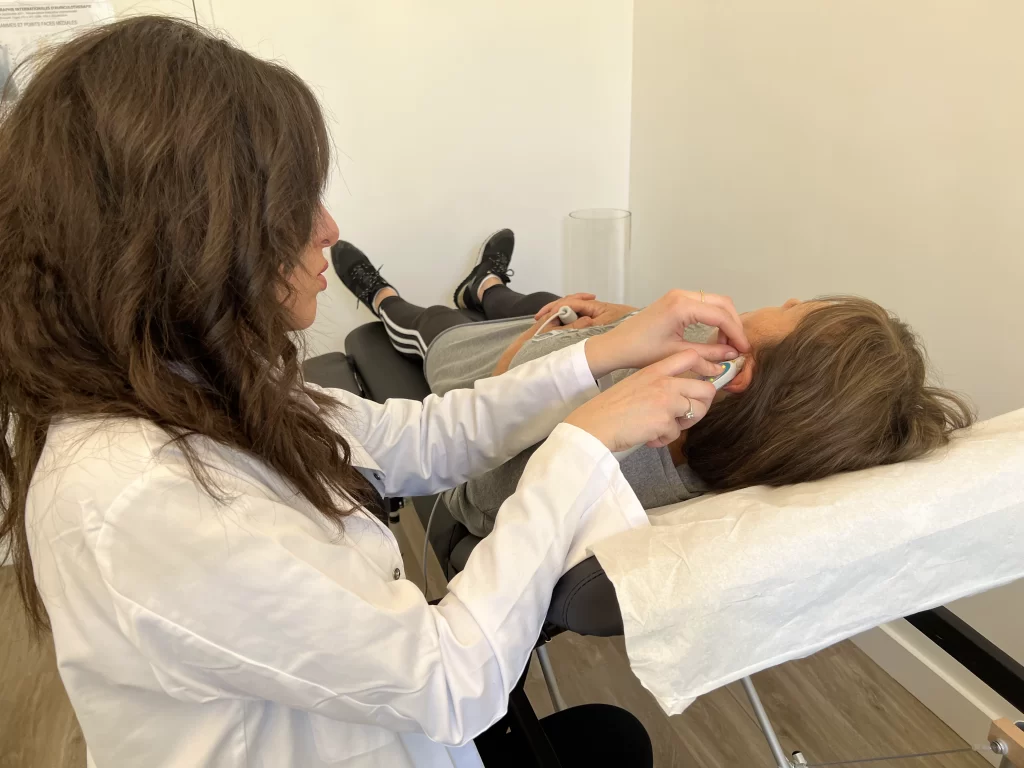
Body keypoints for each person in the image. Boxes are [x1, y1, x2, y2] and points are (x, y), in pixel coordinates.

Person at [0, 17, 753, 768]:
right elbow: (452, 681)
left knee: (609, 739)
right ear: (188, 238)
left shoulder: (193, 382)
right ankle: (423, 297)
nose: (328, 228)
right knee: (609, 744)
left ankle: (435, 295)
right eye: (297, 205)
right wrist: (584, 444)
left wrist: (611, 348)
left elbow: (421, 436)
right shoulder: (137, 498)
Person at [333, 231, 974, 537]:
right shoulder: (732, 419)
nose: (786, 298)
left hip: (488, 377)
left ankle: (384, 297)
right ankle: (489, 287)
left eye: (796, 309)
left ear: (741, 370)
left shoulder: (615, 437)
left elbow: (477, 472)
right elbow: (622, 332)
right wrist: (621, 319)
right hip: (563, 343)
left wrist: (571, 340)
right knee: (563, 303)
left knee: (439, 326)